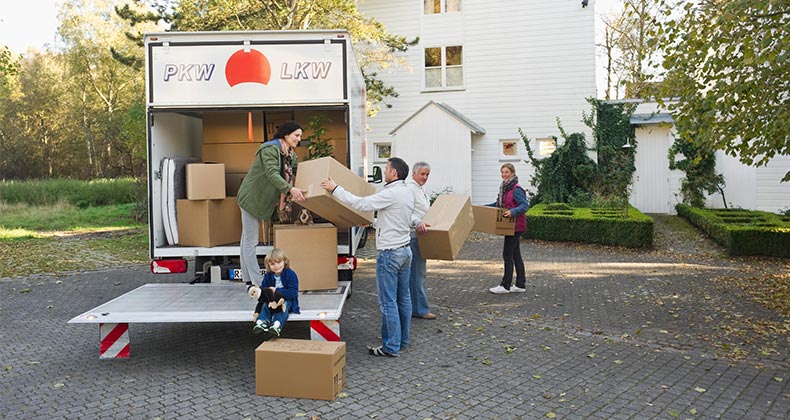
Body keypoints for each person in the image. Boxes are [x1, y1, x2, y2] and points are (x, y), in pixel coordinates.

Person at [320, 157, 417, 357]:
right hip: (405, 251)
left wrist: (335, 188)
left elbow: (360, 203)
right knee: (404, 298)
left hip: (390, 255)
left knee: (388, 302)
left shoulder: (391, 193)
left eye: (387, 168)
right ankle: (402, 341)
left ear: (394, 173)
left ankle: (391, 347)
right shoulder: (407, 191)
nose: (384, 171)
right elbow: (394, 217)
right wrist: (373, 223)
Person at [236, 121, 306, 286]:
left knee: (245, 239)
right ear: (286, 135)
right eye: (297, 135)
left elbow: (298, 173)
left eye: (300, 136)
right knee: (250, 241)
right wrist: (290, 189)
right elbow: (272, 173)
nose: (299, 139)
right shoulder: (270, 150)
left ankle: (247, 279)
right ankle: (258, 282)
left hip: (262, 200)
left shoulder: (290, 155)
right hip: (252, 198)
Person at [488, 163, 529, 294]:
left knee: (507, 254)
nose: (504, 175)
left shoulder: (516, 189)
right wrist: (482, 207)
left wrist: (513, 212)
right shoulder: (504, 189)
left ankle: (505, 286)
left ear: (512, 173)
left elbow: (524, 205)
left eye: (506, 172)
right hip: (510, 226)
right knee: (516, 255)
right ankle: (520, 284)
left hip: (516, 226)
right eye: (502, 172)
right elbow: (498, 204)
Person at [250, 248, 300, 337]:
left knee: (283, 307)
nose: (276, 266)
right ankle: (262, 322)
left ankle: (277, 324)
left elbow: (293, 293)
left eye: (279, 262)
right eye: (272, 264)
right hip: (272, 299)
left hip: (286, 299)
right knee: (265, 305)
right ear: (268, 265)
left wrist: (276, 290)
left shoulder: (291, 274)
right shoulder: (268, 275)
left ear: (285, 262)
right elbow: (264, 289)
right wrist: (258, 291)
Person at [406, 161, 434, 319]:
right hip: (413, 236)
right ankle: (420, 310)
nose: (425, 177)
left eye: (427, 174)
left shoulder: (420, 189)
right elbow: (406, 212)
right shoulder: (410, 189)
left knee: (417, 273)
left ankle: (414, 307)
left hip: (420, 236)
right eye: (422, 174)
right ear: (414, 173)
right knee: (418, 274)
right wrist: (418, 222)